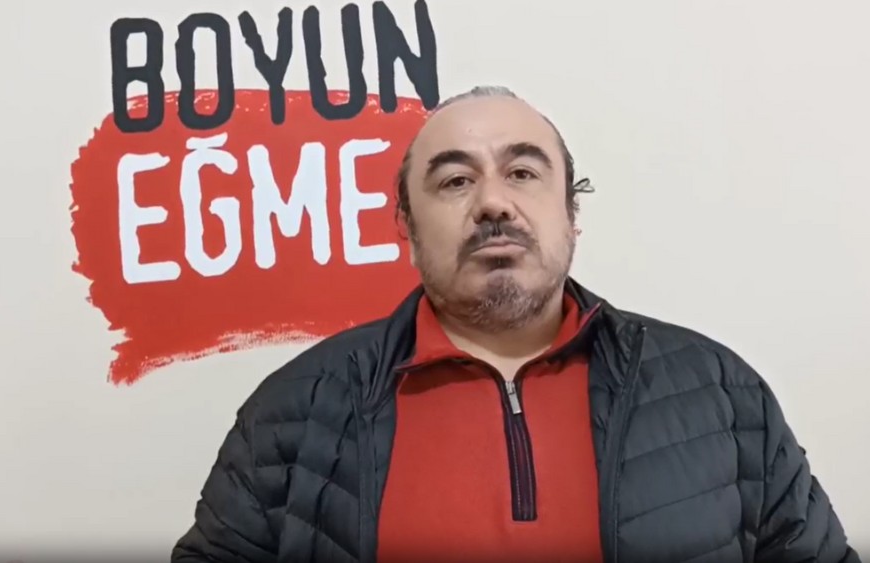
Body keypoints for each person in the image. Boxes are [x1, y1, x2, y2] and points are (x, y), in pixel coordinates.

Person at [171, 86, 858, 563]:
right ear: (407, 227)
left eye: (523, 172)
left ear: (571, 214)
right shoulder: (293, 412)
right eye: (455, 181)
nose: (493, 203)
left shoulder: (722, 395)